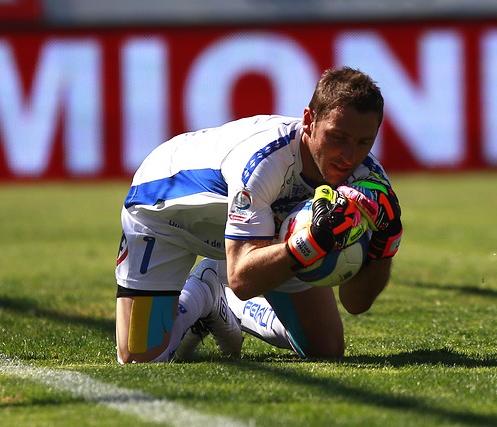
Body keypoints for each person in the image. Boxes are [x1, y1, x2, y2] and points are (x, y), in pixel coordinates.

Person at [115, 66, 403, 364]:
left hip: (257, 232)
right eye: (337, 137)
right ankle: (204, 291)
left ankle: (221, 302)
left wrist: (386, 240)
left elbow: (355, 303)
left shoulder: (367, 177)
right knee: (141, 357)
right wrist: (311, 243)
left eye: (363, 142)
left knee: (325, 348)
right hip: (164, 211)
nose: (349, 155)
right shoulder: (265, 162)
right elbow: (242, 280)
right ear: (309, 121)